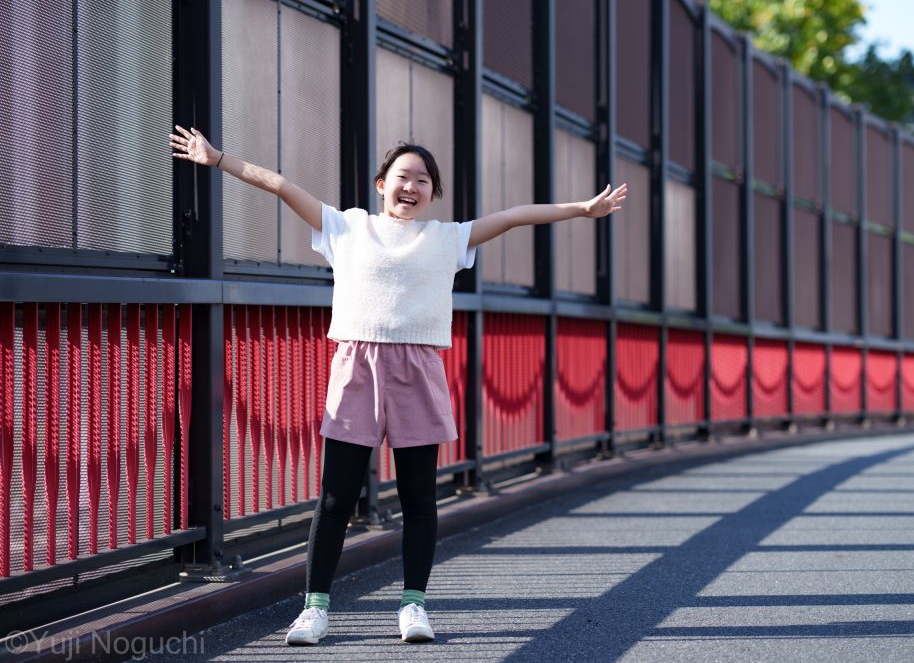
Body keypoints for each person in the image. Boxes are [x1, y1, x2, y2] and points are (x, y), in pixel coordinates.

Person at [168, 124, 627, 645]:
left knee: (418, 499)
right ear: (380, 182)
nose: (412, 187)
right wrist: (218, 159)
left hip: (419, 370)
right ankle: (314, 609)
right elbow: (280, 184)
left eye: (424, 181)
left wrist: (581, 210)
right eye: (403, 177)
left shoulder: (447, 238)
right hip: (356, 366)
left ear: (433, 194)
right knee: (336, 498)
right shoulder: (346, 227)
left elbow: (516, 216)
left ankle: (413, 606)